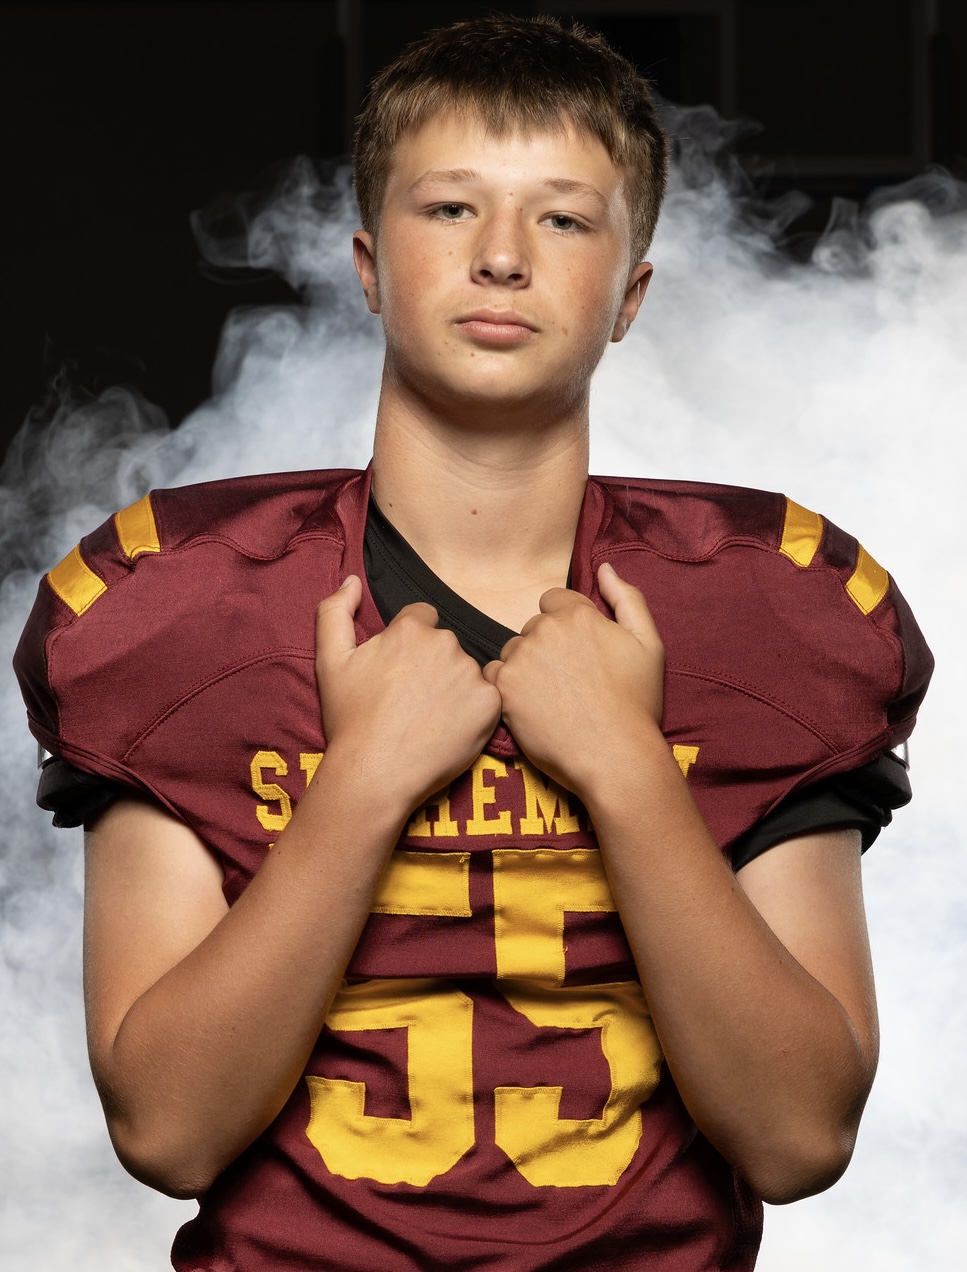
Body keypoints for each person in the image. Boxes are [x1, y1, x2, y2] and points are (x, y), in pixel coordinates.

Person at [15, 14, 932, 1271]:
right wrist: (364, 782)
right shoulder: (188, 608)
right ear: (368, 265)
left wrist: (625, 766)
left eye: (563, 219)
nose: (502, 257)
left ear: (631, 293)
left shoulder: (760, 610)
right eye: (450, 209)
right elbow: (170, 1131)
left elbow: (795, 1138)